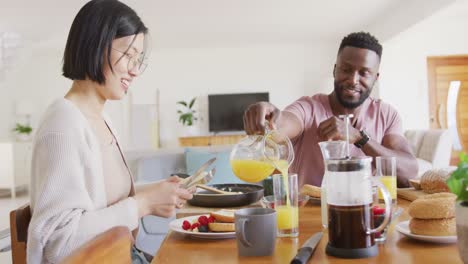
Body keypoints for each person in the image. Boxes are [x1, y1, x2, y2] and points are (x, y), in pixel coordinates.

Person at [27, 1, 193, 263]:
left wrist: (156, 191)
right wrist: (143, 204)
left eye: (139, 60)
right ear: (95, 44)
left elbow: (100, 199)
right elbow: (57, 244)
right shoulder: (63, 125)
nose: (135, 70)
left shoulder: (101, 118)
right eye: (128, 55)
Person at [243, 32, 418, 188]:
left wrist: (359, 137)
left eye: (364, 73)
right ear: (335, 70)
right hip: (312, 219)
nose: (353, 80)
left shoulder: (386, 114)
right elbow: (285, 123)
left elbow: (409, 170)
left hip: (365, 215)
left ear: (375, 78)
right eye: (346, 69)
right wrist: (271, 117)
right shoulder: (309, 107)